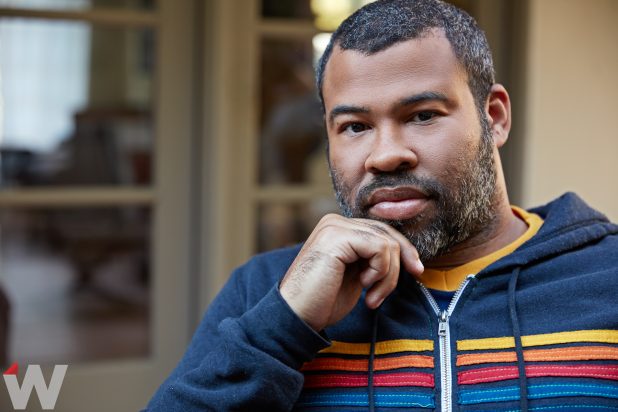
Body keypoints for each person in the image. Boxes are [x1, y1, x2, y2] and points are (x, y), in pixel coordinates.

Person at [146, 0, 618, 410]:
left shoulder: (607, 278)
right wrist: (285, 328)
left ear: (493, 117)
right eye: (355, 126)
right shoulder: (266, 291)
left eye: (422, 116)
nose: (386, 155)